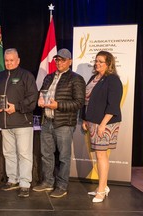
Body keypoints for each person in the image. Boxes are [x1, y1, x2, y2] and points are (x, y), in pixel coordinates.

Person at [33, 48, 85, 198]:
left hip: (63, 124)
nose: (59, 62)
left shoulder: (76, 78)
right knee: (46, 154)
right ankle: (48, 182)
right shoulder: (48, 77)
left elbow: (79, 103)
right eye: (57, 59)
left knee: (63, 157)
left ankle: (62, 186)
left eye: (62, 60)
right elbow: (42, 93)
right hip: (46, 121)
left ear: (70, 61)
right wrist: (40, 100)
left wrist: (59, 105)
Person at [0, 48, 38, 198]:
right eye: (6, 60)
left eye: (12, 60)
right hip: (4, 123)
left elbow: (32, 98)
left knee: (24, 154)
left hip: (22, 122)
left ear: (18, 60)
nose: (9, 63)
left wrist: (16, 108)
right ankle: (13, 179)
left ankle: (24, 183)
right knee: (8, 153)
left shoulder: (26, 76)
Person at [82, 51, 123, 203]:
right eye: (96, 61)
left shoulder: (112, 80)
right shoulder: (94, 78)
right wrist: (85, 119)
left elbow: (113, 105)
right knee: (100, 155)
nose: (97, 64)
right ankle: (103, 186)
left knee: (101, 155)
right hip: (93, 121)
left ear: (109, 64)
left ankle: (101, 190)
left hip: (105, 123)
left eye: (101, 61)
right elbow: (87, 100)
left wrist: (102, 125)